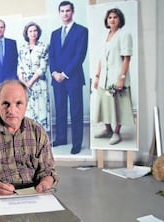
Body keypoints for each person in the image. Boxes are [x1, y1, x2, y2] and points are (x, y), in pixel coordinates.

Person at [0, 80, 59, 222]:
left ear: (26, 105)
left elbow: (48, 170)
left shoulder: (38, 132)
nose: (12, 110)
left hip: (33, 199)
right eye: (6, 104)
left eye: (18, 103)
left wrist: (46, 181)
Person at [49, 1, 88, 154]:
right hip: (56, 78)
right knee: (60, 109)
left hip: (73, 77)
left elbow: (80, 55)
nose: (65, 13)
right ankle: (61, 138)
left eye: (68, 10)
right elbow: (51, 55)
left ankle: (77, 143)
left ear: (73, 12)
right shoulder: (55, 33)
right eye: (62, 11)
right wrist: (54, 73)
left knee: (76, 110)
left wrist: (65, 74)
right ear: (59, 13)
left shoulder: (82, 31)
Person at [92, 8, 133, 145]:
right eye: (110, 17)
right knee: (104, 104)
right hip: (104, 77)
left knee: (119, 105)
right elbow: (101, 59)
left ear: (120, 19)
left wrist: (121, 78)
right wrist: (97, 76)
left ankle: (116, 132)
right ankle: (108, 129)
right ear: (107, 20)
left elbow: (127, 59)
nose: (112, 20)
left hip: (117, 76)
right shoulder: (106, 36)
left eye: (115, 17)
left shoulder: (124, 35)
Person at [17, 21, 50, 132]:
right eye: (30, 31)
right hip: (25, 85)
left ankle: (42, 139)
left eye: (35, 30)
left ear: (38, 32)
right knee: (28, 111)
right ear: (26, 33)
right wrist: (23, 83)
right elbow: (20, 66)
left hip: (39, 84)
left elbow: (43, 68)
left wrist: (30, 82)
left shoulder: (44, 47)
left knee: (41, 111)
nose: (33, 33)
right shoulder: (22, 48)